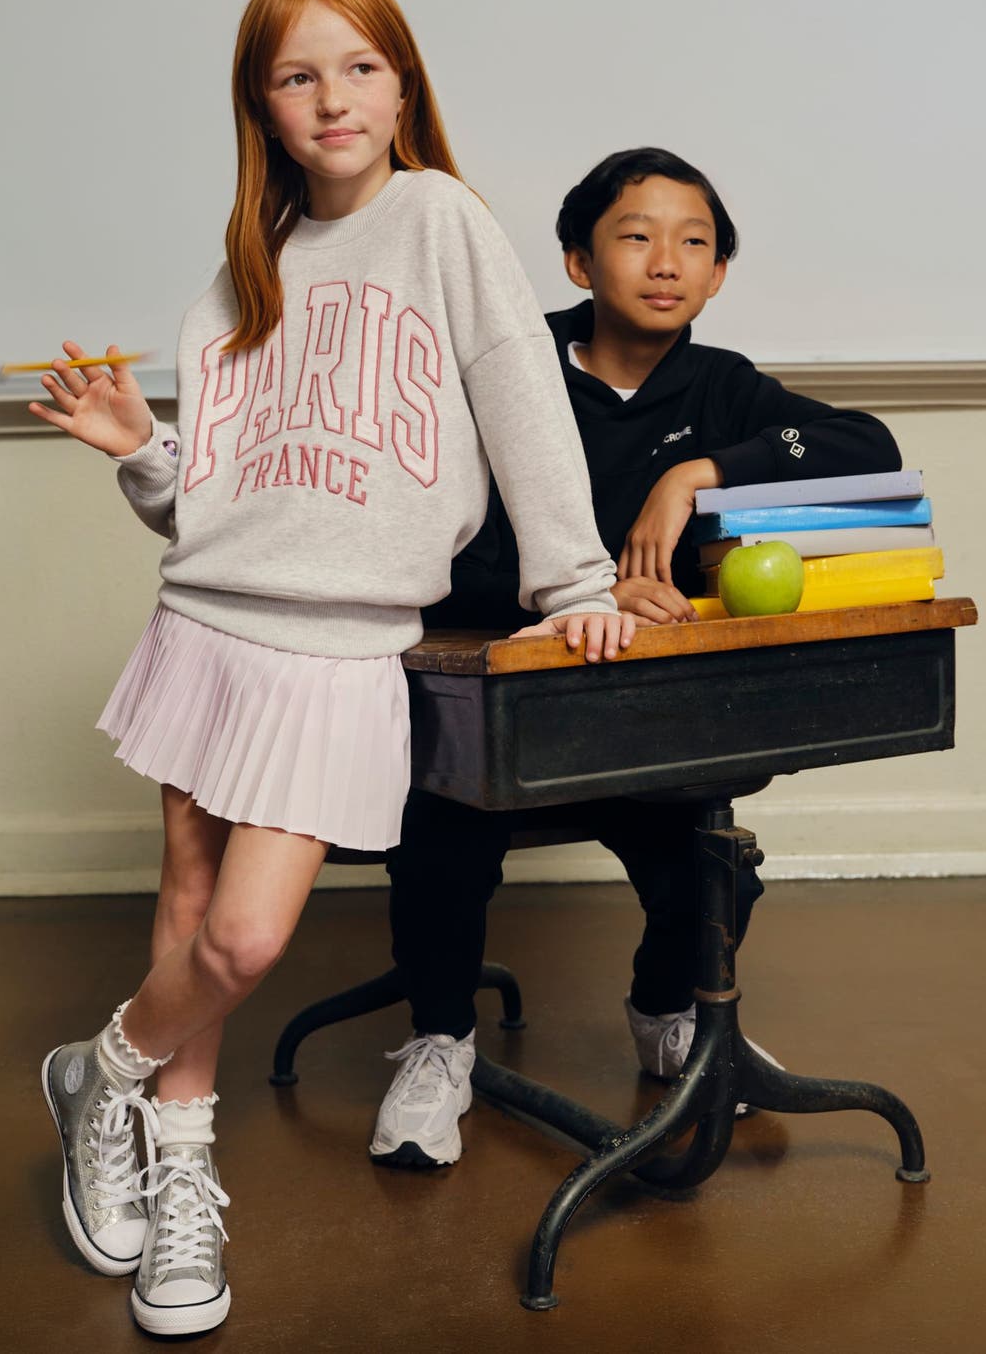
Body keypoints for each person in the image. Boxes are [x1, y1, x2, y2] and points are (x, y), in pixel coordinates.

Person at [32, 0, 632, 1338]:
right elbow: (221, 502)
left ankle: (97, 1072)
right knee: (188, 914)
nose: (332, 97)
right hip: (208, 620)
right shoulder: (244, 270)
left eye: (358, 66)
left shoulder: (441, 222)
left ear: (402, 81)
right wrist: (144, 451)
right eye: (298, 74)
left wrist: (575, 579)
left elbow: (520, 397)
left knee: (244, 937)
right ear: (262, 102)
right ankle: (183, 1190)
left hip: (342, 650)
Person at [370, 146, 902, 1168]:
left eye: (692, 242)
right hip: (497, 708)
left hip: (643, 722)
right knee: (438, 843)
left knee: (711, 869)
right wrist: (586, 592)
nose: (665, 261)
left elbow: (864, 447)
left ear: (715, 276)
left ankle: (665, 1014)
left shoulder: (721, 387)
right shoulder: (505, 363)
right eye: (634, 235)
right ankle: (438, 1042)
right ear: (576, 261)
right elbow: (437, 551)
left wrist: (703, 472)